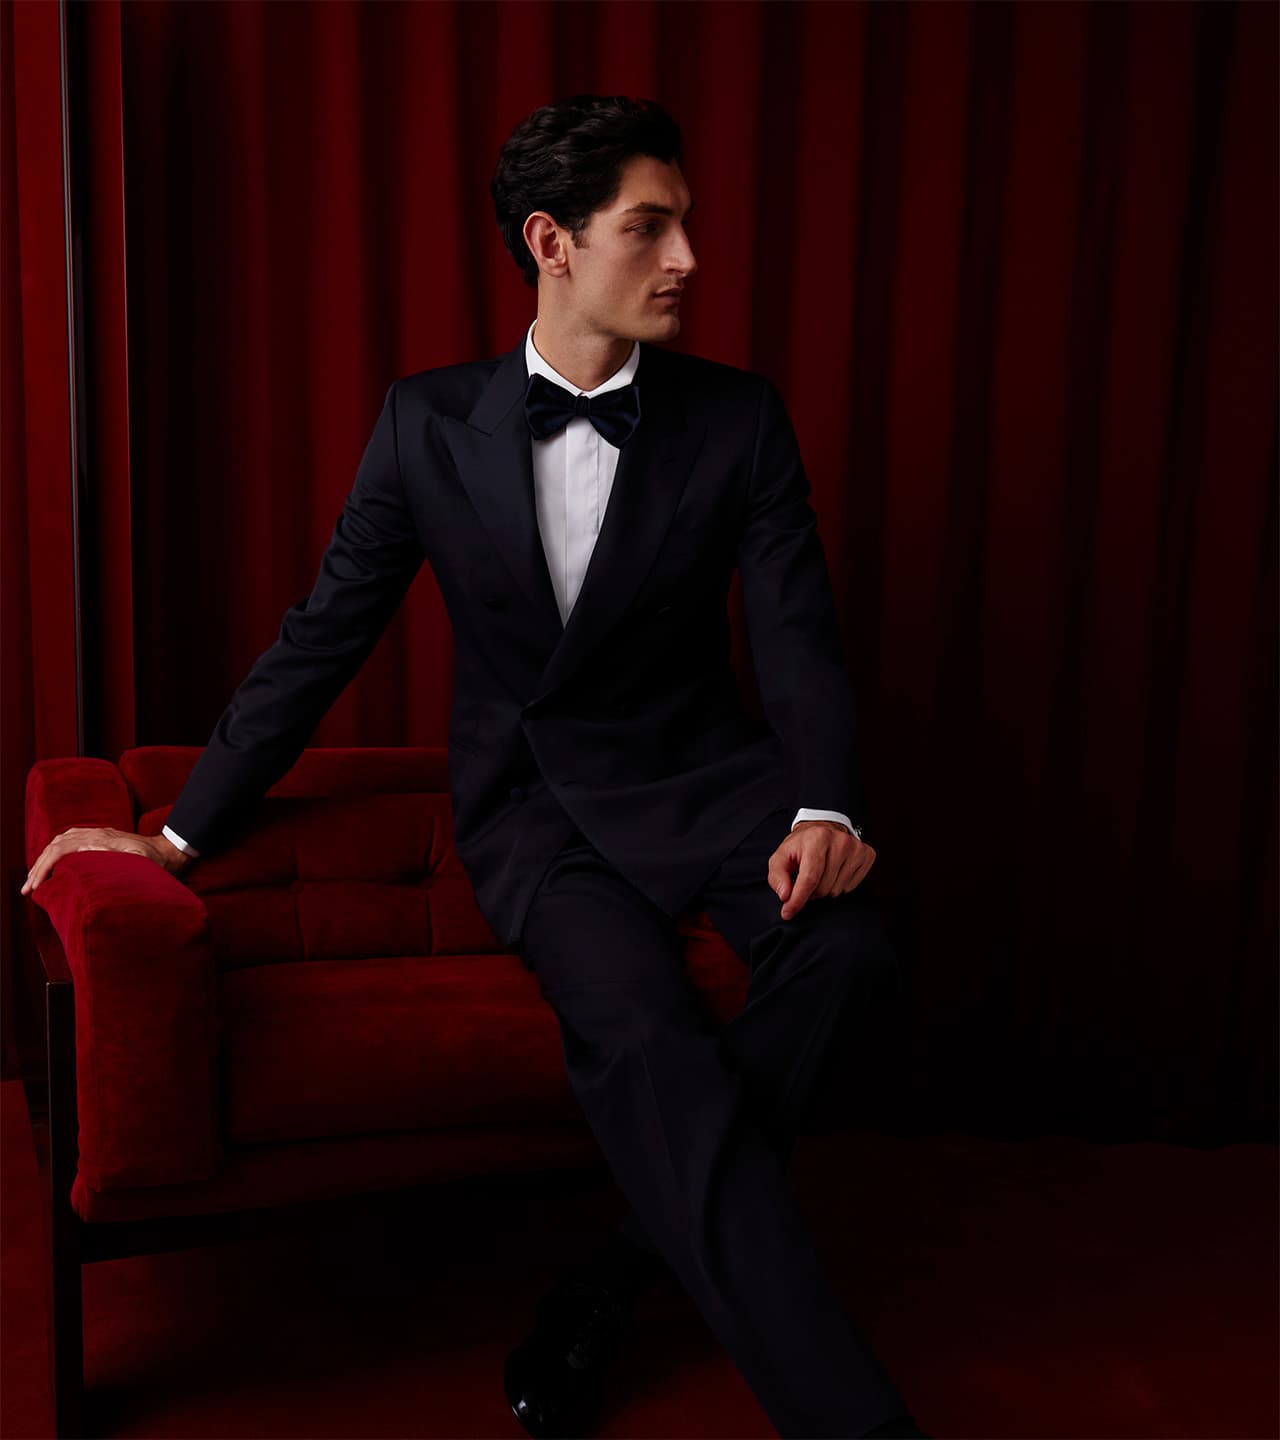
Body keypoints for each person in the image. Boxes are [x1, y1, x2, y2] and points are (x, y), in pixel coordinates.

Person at [23, 95, 928, 1439]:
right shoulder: (425, 425)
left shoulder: (737, 420)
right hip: (537, 813)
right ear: (552, 241)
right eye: (651, 225)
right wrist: (177, 838)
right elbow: (322, 634)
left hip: (705, 783)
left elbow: (798, 634)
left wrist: (827, 803)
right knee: (644, 1035)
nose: (688, 257)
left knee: (854, 951)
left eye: (686, 221)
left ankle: (606, 1284)